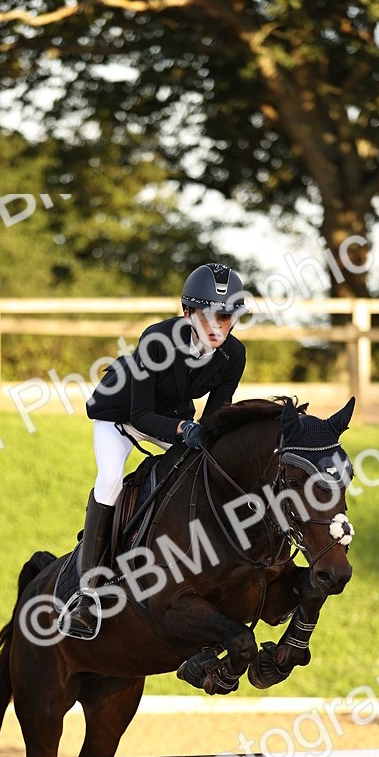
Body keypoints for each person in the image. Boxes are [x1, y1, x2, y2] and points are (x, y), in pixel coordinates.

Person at [65, 262, 247, 637]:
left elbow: (216, 413)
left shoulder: (234, 356)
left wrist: (209, 438)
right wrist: (183, 429)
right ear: (188, 313)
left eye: (226, 316)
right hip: (122, 416)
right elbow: (141, 414)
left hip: (173, 418)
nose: (217, 325)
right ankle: (85, 594)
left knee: (202, 467)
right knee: (111, 480)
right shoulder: (157, 340)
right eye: (209, 315)